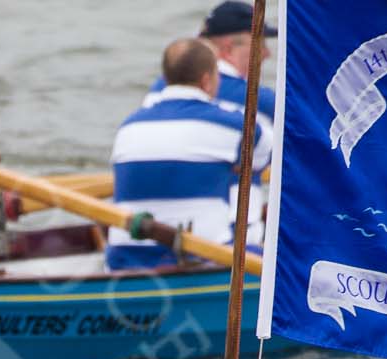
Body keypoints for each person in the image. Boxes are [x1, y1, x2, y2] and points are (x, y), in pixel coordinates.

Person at [107, 39, 272, 272]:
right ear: (206, 80)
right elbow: (265, 156)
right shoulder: (235, 126)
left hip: (124, 260)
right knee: (283, 255)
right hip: (202, 257)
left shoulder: (128, 126)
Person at [150, 2, 278, 121]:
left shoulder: (160, 87)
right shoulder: (262, 102)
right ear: (228, 49)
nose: (267, 54)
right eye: (260, 45)